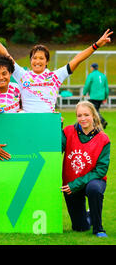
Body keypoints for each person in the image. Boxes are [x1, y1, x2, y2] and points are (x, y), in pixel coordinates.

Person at [0, 17, 113, 113]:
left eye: (41, 58)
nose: (37, 61)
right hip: (27, 123)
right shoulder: (23, 75)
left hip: (48, 123)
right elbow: (5, 53)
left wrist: (96, 45)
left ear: (47, 61)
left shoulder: (55, 76)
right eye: (34, 58)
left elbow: (77, 59)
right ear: (30, 60)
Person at [61, 101, 110, 237]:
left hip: (92, 181)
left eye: (86, 115)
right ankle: (89, 214)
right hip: (71, 185)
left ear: (94, 116)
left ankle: (98, 228)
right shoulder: (69, 131)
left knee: (94, 189)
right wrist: (56, 127)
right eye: (79, 115)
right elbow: (56, 150)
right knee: (80, 228)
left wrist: (76, 184)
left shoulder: (103, 139)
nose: (82, 119)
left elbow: (101, 170)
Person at [83, 63, 109, 129]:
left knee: (94, 110)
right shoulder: (103, 75)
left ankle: (102, 121)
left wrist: (84, 93)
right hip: (101, 96)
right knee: (96, 109)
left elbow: (87, 85)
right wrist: (106, 97)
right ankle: (96, 124)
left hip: (94, 96)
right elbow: (106, 88)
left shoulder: (91, 75)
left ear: (92, 68)